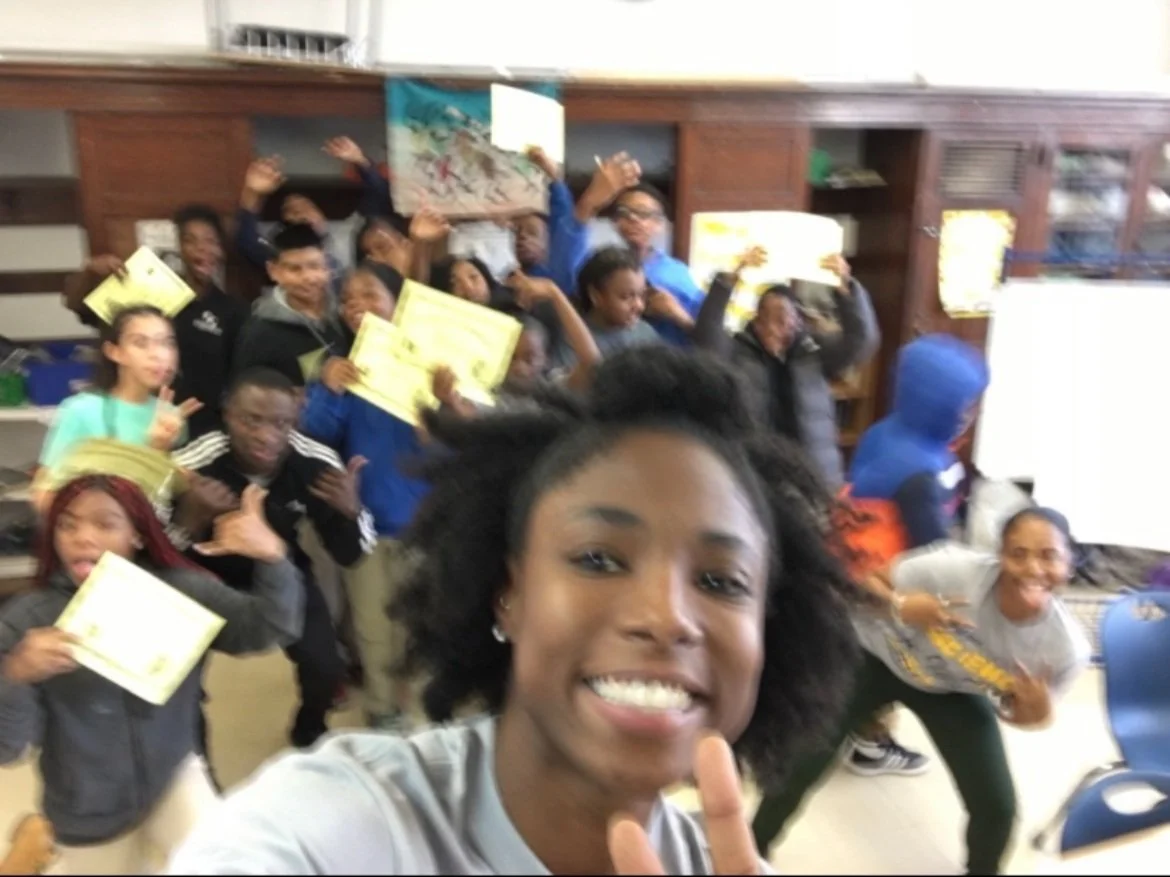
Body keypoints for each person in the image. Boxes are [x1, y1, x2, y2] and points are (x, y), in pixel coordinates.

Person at [168, 345, 865, 875]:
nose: (666, 615)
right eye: (598, 557)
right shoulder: (332, 827)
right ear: (509, 592)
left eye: (722, 579)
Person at [752, 507, 1093, 875]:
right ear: (1000, 556)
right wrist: (901, 606)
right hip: (874, 659)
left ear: (1070, 565)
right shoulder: (952, 569)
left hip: (950, 689)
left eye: (1049, 556)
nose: (1032, 570)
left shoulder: (1065, 650)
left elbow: (1024, 718)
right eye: (1018, 554)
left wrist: (1036, 713)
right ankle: (747, 852)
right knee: (801, 764)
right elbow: (861, 588)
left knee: (997, 805)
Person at [0, 472, 305, 874]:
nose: (82, 537)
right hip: (86, 808)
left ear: (138, 535)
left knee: (223, 863)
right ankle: (37, 840)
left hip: (173, 771)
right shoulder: (27, 621)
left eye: (105, 524)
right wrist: (16, 674)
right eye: (67, 524)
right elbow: (9, 749)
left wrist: (273, 557)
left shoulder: (179, 591)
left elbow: (267, 629)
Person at [171, 367, 376, 749]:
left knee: (326, 667)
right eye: (252, 420)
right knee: (175, 674)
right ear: (227, 413)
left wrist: (350, 513)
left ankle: (309, 730)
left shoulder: (316, 461)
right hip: (204, 574)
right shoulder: (192, 460)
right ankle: (188, 747)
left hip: (282, 568)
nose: (266, 435)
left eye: (281, 423)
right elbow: (150, 555)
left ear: (296, 420)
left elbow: (351, 555)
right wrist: (189, 517)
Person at [836, 334, 990, 777]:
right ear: (940, 408)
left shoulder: (884, 432)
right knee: (888, 667)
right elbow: (934, 552)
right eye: (964, 407)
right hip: (889, 584)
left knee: (856, 663)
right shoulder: (922, 474)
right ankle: (870, 742)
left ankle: (852, 727)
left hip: (855, 571)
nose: (970, 416)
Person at [301, 269, 429, 732]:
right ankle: (381, 708)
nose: (357, 305)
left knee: (422, 627)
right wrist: (329, 387)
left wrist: (439, 423)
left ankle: (420, 710)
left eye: (370, 294)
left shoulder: (427, 364)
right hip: (365, 521)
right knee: (374, 629)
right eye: (348, 299)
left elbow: (459, 444)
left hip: (426, 521)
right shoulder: (340, 365)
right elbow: (315, 433)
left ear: (398, 304)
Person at [693, 248, 879, 490]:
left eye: (789, 319)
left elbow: (862, 342)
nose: (783, 328)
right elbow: (706, 338)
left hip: (814, 475)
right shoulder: (737, 351)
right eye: (773, 319)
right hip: (756, 477)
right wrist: (728, 281)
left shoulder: (813, 351)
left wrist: (846, 287)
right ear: (756, 320)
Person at [61, 205, 248, 439]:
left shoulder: (232, 311)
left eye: (212, 241)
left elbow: (239, 377)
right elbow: (78, 307)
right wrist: (90, 271)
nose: (203, 248)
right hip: (141, 419)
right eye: (191, 240)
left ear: (222, 250)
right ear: (179, 248)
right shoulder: (150, 290)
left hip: (203, 429)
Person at [38, 305, 199, 479]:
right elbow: (44, 496)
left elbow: (162, 495)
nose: (159, 354)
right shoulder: (82, 410)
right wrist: (154, 449)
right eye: (141, 343)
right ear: (114, 352)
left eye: (168, 343)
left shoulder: (170, 417)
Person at [432, 270, 603, 418]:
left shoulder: (555, 387)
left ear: (545, 359)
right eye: (511, 357)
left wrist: (554, 293)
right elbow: (468, 417)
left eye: (530, 358)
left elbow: (591, 362)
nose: (520, 367)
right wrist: (450, 400)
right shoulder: (488, 396)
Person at [232, 224, 348, 387]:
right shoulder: (259, 333)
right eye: (295, 269)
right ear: (273, 271)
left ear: (327, 267)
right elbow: (247, 395)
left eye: (314, 266)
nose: (308, 277)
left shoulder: (345, 315)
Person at [551, 246, 695, 372]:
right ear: (596, 296)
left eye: (642, 295)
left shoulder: (645, 332)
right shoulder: (573, 338)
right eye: (626, 297)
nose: (638, 305)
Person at [610, 182, 704, 347]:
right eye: (624, 212)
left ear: (659, 224)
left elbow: (710, 336)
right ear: (616, 222)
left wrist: (676, 314)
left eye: (643, 213)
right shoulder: (604, 267)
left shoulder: (678, 275)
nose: (632, 218)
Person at [236, 155, 345, 296]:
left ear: (322, 215)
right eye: (291, 211)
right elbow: (246, 239)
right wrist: (252, 192)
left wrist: (362, 162)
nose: (299, 214)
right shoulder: (280, 252)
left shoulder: (350, 238)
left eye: (305, 207)